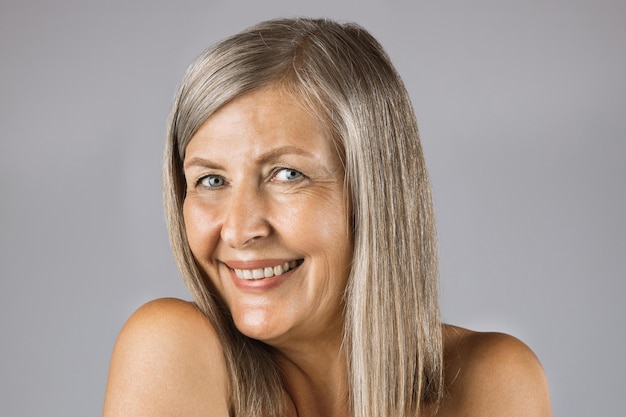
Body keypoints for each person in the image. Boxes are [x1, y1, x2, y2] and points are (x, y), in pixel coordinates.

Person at [103, 18, 551, 417]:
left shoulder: (495, 379)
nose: (239, 230)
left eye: (286, 174)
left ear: (374, 192)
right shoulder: (168, 348)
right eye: (211, 180)